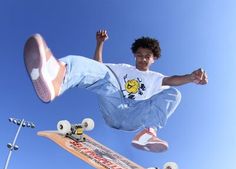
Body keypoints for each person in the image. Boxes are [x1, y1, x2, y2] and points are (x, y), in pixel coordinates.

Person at [24, 30, 208, 153]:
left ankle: (147, 134)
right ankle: (57, 76)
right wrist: (99, 44)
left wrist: (190, 77)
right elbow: (96, 68)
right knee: (105, 75)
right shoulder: (122, 68)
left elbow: (172, 80)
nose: (143, 59)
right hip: (113, 106)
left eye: (147, 57)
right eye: (140, 55)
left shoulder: (155, 77)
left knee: (173, 93)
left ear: (154, 59)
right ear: (134, 55)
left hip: (135, 115)